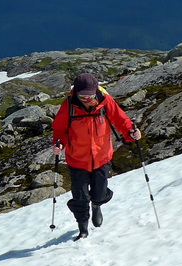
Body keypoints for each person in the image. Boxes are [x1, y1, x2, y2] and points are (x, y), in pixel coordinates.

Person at [51, 73, 141, 239]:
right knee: (80, 197)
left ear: (96, 91)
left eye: (90, 95)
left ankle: (97, 204)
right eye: (82, 96)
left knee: (99, 193)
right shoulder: (69, 106)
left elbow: (121, 120)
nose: (86, 99)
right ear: (75, 92)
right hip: (77, 159)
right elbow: (60, 129)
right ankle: (83, 228)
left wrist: (131, 132)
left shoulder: (105, 101)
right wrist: (59, 144)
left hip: (102, 157)